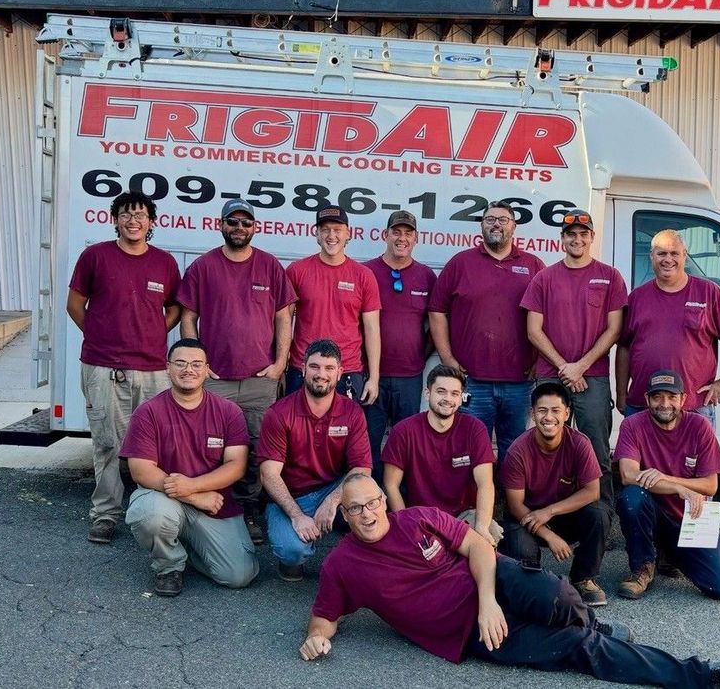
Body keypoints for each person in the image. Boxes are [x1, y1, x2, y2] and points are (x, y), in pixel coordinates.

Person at [297, 473, 720, 688]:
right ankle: (702, 676)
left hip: (493, 578)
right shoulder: (343, 564)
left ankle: (592, 622)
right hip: (468, 633)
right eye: (356, 509)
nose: (369, 513)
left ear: (383, 499)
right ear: (344, 514)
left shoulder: (416, 519)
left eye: (374, 502)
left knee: (558, 595)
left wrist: (488, 601)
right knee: (578, 649)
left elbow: (477, 546)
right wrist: (317, 640)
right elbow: (324, 618)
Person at [178, 198, 296, 544]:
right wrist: (199, 362)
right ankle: (211, 508)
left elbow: (283, 317)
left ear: (255, 227)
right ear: (221, 225)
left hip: (260, 380)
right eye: (233, 222)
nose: (240, 228)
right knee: (212, 447)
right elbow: (188, 317)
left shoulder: (270, 266)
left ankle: (248, 510)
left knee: (258, 449)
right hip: (216, 382)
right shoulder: (203, 267)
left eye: (246, 222)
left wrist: (279, 363)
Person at [66, 191, 181, 544]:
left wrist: (152, 334)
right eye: (126, 214)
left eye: (141, 215)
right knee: (107, 444)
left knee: (157, 445)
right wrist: (99, 335)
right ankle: (105, 515)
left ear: (151, 222)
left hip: (152, 370)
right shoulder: (95, 256)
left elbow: (174, 307)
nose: (134, 221)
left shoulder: (164, 263)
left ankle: (156, 511)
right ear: (114, 219)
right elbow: (75, 304)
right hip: (102, 367)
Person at [121, 338, 258, 597]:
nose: (189, 370)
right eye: (181, 363)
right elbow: (141, 470)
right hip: (167, 499)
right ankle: (168, 566)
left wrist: (194, 485)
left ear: (207, 369)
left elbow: (236, 466)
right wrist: (193, 495)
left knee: (239, 575)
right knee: (150, 514)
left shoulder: (228, 412)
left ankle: (187, 545)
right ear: (168, 368)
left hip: (214, 506)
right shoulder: (148, 412)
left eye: (196, 364)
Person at [521, 208, 627, 504]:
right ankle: (549, 513)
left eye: (583, 234)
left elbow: (614, 329)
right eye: (571, 235)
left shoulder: (610, 277)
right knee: (548, 450)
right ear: (562, 239)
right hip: (551, 376)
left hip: (592, 378)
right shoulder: (545, 278)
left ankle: (602, 517)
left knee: (596, 452)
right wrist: (565, 368)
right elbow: (533, 331)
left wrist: (580, 366)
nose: (577, 240)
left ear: (592, 237)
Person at [429, 201, 545, 461]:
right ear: (481, 225)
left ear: (513, 226)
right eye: (490, 219)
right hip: (472, 380)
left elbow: (547, 316)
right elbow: (437, 311)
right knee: (469, 446)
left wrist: (540, 359)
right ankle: (469, 498)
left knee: (514, 448)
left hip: (519, 381)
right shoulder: (460, 263)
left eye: (503, 220)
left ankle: (507, 498)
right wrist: (448, 360)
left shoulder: (534, 265)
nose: (496, 224)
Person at [613, 370, 720, 601]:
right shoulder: (632, 425)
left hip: (690, 519)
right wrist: (680, 488)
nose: (664, 403)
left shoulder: (699, 426)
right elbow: (628, 474)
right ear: (647, 399)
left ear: (683, 399)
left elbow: (710, 486)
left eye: (671, 396)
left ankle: (670, 552)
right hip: (654, 514)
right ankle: (643, 567)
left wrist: (671, 481)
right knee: (632, 497)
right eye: (657, 397)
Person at [258, 338, 373, 581]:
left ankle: (358, 552)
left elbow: (361, 468)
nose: (321, 374)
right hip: (291, 495)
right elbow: (268, 473)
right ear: (303, 369)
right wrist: (297, 516)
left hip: (332, 488)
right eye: (315, 367)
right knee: (292, 552)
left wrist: (332, 501)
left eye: (329, 368)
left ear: (340, 373)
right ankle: (293, 556)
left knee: (374, 498)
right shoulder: (279, 413)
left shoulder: (352, 412)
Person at [616, 229, 720, 425]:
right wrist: (622, 395)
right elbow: (624, 347)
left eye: (674, 253)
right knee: (639, 457)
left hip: (694, 408)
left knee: (693, 458)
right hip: (641, 406)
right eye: (661, 253)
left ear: (685, 256)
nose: (667, 259)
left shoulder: (709, 294)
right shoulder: (637, 298)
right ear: (651, 256)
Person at [499, 381, 612, 607]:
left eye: (555, 410)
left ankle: (583, 577)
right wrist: (549, 536)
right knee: (522, 552)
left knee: (599, 513)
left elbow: (592, 491)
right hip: (527, 518)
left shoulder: (579, 443)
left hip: (560, 514)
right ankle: (537, 585)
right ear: (532, 413)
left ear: (567, 413)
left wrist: (549, 512)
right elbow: (515, 506)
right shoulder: (518, 450)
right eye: (542, 410)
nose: (548, 417)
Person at [382, 364, 500, 546]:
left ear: (461, 398)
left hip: (463, 516)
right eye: (441, 392)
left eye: (454, 394)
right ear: (427, 393)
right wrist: (406, 524)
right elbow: (391, 485)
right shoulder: (404, 431)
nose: (448, 399)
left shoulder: (474, 429)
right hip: (420, 516)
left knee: (490, 532)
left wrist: (481, 528)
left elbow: (485, 484)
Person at [363, 210, 437, 481]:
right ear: (385, 235)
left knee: (405, 442)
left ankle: (401, 499)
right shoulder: (367, 272)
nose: (401, 238)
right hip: (373, 376)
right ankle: (371, 498)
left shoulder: (427, 276)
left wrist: (420, 355)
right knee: (369, 442)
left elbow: (435, 325)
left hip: (410, 377)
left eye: (408, 233)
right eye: (396, 232)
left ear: (416, 238)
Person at [285, 206, 381, 404]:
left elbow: (372, 329)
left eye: (337, 230)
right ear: (317, 234)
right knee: (297, 433)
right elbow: (283, 321)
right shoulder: (297, 271)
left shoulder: (363, 275)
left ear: (348, 234)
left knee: (342, 433)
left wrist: (374, 377)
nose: (331, 236)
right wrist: (280, 364)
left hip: (347, 371)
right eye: (325, 229)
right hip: (304, 369)